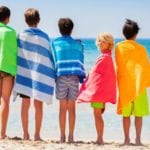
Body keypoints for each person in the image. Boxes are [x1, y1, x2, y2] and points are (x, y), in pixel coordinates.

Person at [13, 8, 55, 141]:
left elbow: (17, 54)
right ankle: (37, 135)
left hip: (24, 74)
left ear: (25, 20)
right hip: (39, 76)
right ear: (39, 20)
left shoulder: (20, 35)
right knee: (38, 105)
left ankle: (25, 134)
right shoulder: (44, 37)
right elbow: (48, 56)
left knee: (25, 104)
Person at [115, 19, 150, 145]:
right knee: (138, 115)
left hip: (125, 86)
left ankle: (126, 139)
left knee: (126, 115)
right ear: (136, 34)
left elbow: (119, 65)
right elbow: (145, 66)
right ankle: (138, 139)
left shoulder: (118, 47)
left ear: (124, 33)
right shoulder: (141, 49)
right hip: (138, 86)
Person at [77, 33, 116, 144]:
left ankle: (100, 138)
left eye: (103, 41)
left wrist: (88, 85)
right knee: (97, 114)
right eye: (99, 41)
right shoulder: (106, 57)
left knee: (97, 114)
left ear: (109, 44)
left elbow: (95, 74)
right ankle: (99, 138)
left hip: (99, 92)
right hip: (100, 91)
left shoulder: (105, 58)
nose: (100, 43)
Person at [52, 18, 86, 143]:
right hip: (73, 77)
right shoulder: (78, 44)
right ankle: (71, 137)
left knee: (62, 108)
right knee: (71, 108)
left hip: (61, 76)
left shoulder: (55, 43)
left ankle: (62, 137)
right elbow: (80, 60)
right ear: (72, 30)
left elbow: (54, 60)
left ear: (59, 30)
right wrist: (82, 76)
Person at [0, 6, 18, 139]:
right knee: (4, 100)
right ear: (8, 18)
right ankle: (2, 133)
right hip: (7, 70)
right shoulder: (11, 32)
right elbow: (14, 53)